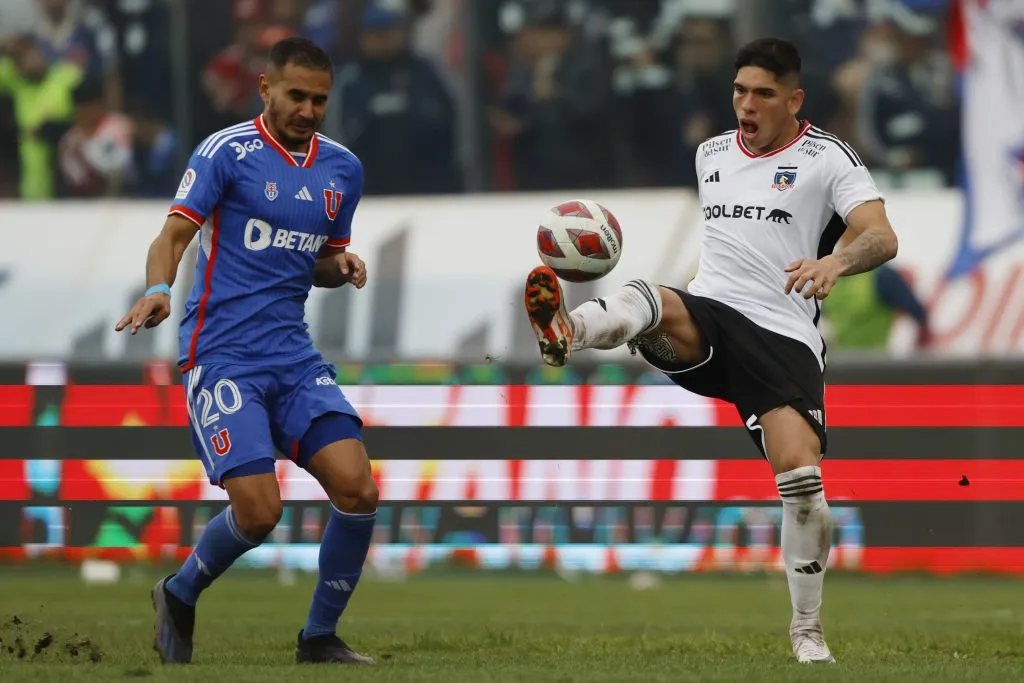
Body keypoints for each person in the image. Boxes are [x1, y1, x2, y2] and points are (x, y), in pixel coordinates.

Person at [524, 38, 898, 665]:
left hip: (782, 336)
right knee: (653, 296)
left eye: (762, 94)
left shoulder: (829, 158)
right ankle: (569, 332)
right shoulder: (711, 154)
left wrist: (836, 259)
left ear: (794, 99)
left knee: (803, 484)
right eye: (739, 91)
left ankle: (807, 632)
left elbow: (882, 237)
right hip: (709, 317)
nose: (746, 105)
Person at [114, 37, 378, 666]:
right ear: (265, 88)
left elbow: (313, 261)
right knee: (260, 513)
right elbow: (173, 234)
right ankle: (179, 592)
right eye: (296, 96)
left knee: (359, 489)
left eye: (319, 99)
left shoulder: (343, 170)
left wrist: (337, 264)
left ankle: (318, 639)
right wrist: (157, 289)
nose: (309, 110)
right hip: (224, 356)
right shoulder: (225, 154)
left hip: (293, 358)